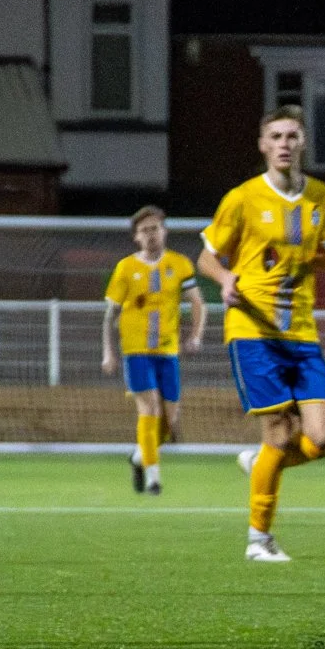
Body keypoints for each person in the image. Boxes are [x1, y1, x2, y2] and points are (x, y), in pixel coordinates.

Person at [198, 107, 325, 562]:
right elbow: (206, 257)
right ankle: (259, 539)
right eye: (276, 136)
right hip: (253, 328)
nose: (285, 143)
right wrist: (224, 279)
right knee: (278, 431)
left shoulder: (322, 196)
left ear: (302, 142)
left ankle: (262, 464)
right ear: (263, 145)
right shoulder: (243, 198)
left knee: (322, 440)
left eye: (292, 135)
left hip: (301, 331)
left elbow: (311, 249)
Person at [103, 206, 205, 495]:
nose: (151, 234)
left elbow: (197, 302)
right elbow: (110, 315)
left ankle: (138, 457)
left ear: (164, 231)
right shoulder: (126, 268)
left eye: (155, 228)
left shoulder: (180, 264)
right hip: (135, 352)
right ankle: (153, 477)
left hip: (168, 352)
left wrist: (195, 336)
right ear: (136, 237)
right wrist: (108, 352)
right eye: (145, 230)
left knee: (168, 423)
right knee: (149, 409)